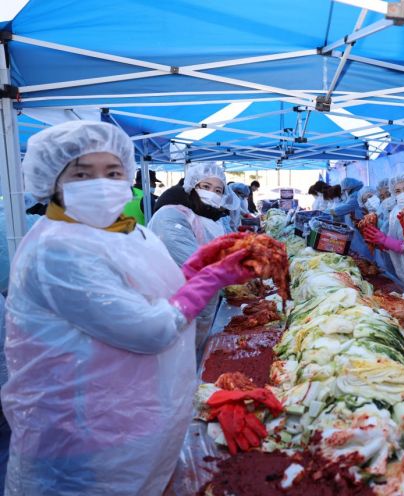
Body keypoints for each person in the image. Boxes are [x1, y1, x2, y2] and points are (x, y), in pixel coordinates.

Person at [1, 121, 254, 495]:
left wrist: (199, 266)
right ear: (53, 182)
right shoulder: (56, 249)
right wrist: (211, 278)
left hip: (131, 414)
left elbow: (160, 289)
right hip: (81, 433)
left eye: (113, 171)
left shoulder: (129, 233)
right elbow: (150, 329)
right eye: (83, 173)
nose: (101, 182)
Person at [149, 162, 240, 356]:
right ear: (192, 186)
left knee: (192, 362)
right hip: (173, 310)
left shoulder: (212, 218)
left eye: (218, 190)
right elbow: (199, 267)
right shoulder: (171, 216)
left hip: (201, 307)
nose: (212, 193)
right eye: (205, 187)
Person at [362, 173, 404, 299]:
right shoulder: (396, 211)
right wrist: (383, 242)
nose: (402, 193)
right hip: (403, 268)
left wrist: (387, 241)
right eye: (397, 191)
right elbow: (393, 234)